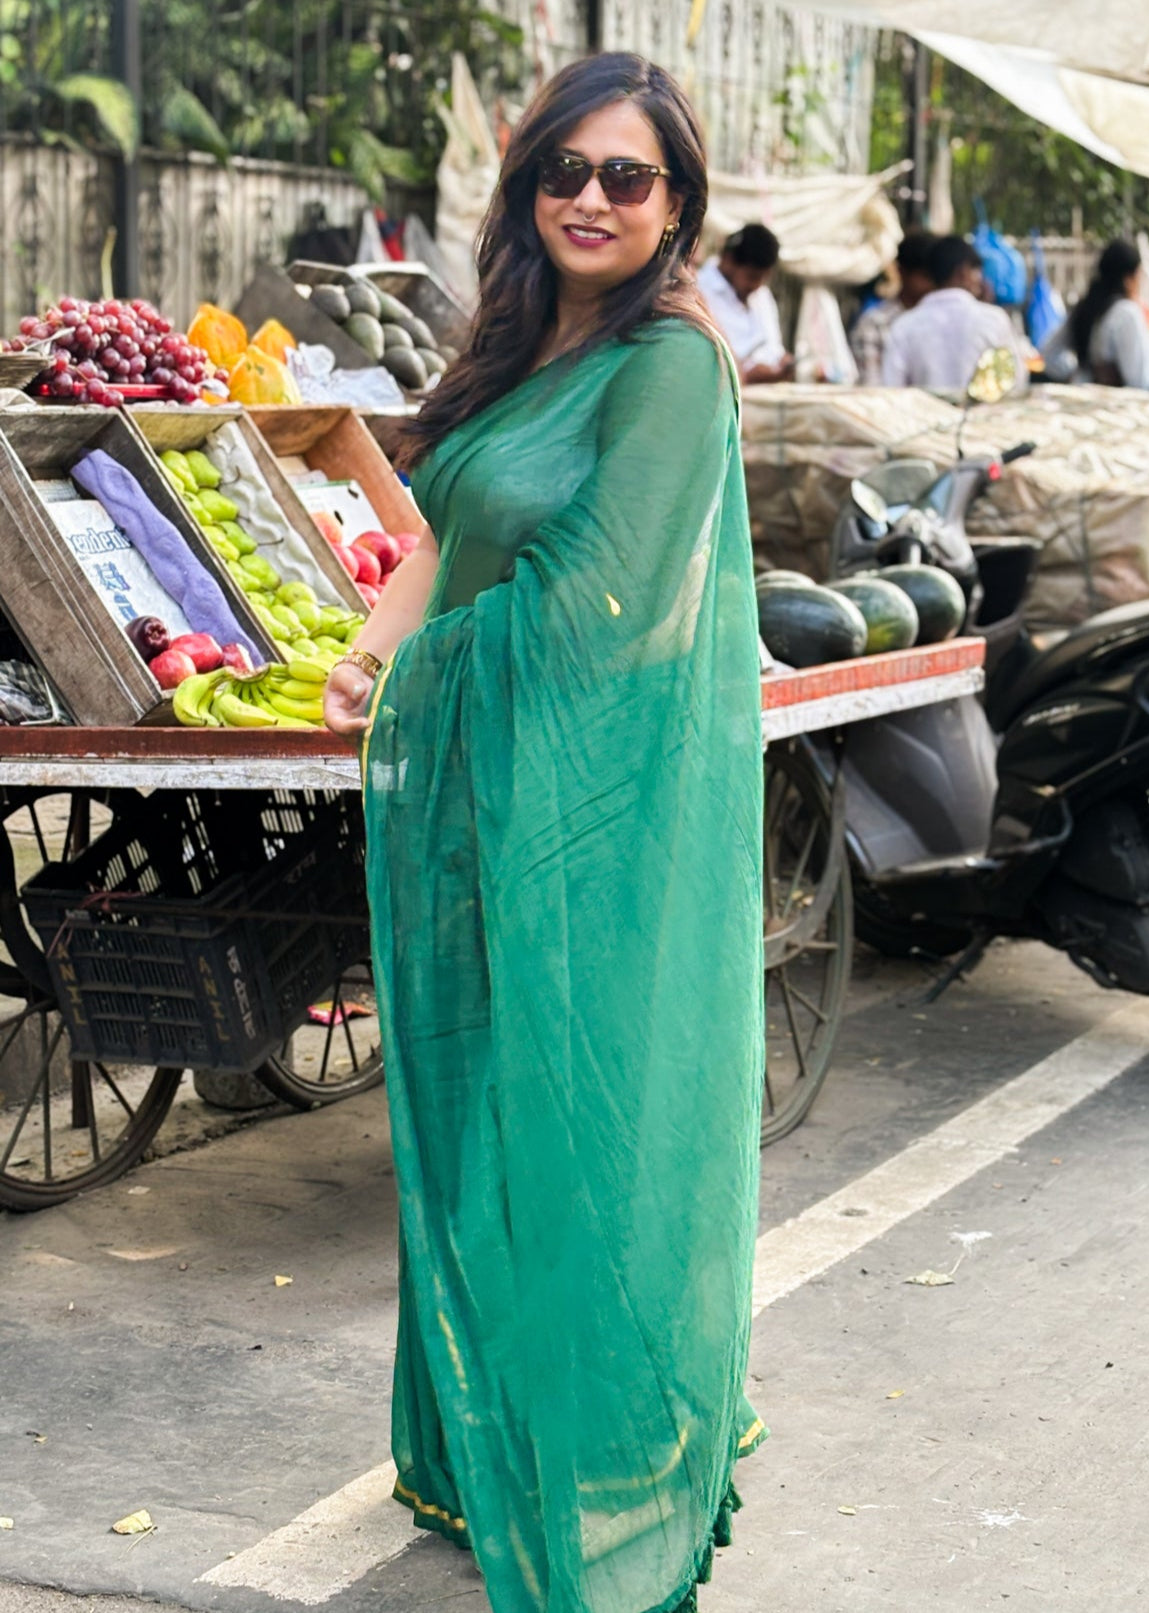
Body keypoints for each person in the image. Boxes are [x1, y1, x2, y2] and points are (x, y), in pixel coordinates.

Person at [323, 51, 766, 1613]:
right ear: (527, 193)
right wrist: (369, 657)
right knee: (478, 1126)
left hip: (587, 828)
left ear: (676, 204)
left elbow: (608, 614)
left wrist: (431, 677)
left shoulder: (668, 368)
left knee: (585, 1138)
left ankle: (626, 1456)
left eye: (626, 175)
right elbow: (443, 541)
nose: (591, 197)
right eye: (563, 171)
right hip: (476, 803)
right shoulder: (515, 347)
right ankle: (487, 1437)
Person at [882, 234, 1027, 392]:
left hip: (924, 415)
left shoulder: (904, 326)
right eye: (976, 270)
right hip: (982, 415)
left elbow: (892, 388)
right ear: (963, 272)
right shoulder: (994, 320)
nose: (980, 279)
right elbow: (1015, 380)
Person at [1042, 239, 1149, 388]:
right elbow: (1141, 381)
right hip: (1118, 406)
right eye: (1139, 278)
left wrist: (1079, 376)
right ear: (1128, 279)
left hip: (1085, 399)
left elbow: (1048, 353)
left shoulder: (1085, 308)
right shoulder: (1126, 313)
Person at [697, 222, 795, 383]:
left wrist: (782, 362)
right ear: (728, 260)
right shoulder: (698, 291)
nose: (757, 285)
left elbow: (773, 347)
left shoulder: (762, 295)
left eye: (763, 278)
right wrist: (745, 375)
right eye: (752, 277)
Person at [850, 231, 936, 386]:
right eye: (925, 276)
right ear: (902, 272)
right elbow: (872, 388)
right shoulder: (875, 324)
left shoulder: (945, 324)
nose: (932, 285)